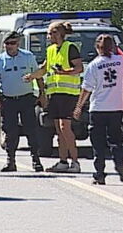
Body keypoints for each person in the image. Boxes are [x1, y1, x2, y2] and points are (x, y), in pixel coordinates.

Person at [24, 21, 83, 172]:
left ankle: (75, 162)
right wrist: (32, 76)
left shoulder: (70, 48)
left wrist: (64, 72)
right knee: (58, 128)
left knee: (65, 127)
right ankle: (63, 161)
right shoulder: (50, 50)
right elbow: (44, 69)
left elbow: (79, 68)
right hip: (55, 94)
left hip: (68, 94)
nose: (49, 36)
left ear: (59, 33)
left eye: (51, 33)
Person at [73, 34, 123, 185]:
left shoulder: (94, 65)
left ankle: (99, 173)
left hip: (98, 108)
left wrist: (78, 107)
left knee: (98, 143)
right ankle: (120, 165)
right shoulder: (120, 61)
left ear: (97, 48)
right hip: (117, 107)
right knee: (116, 140)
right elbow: (122, 77)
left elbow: (86, 89)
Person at [0, 31, 45, 173]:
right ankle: (10, 161)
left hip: (26, 98)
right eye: (7, 43)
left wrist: (42, 93)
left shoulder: (27, 57)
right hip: (8, 100)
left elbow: (38, 75)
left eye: (12, 43)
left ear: (18, 44)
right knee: (10, 131)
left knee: (31, 130)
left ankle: (36, 160)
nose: (10, 46)